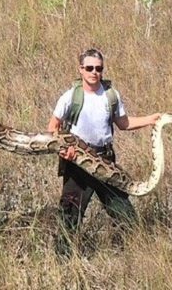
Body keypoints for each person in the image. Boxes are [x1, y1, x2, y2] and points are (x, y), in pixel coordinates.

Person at [47, 48, 160, 255]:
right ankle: (63, 260)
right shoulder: (70, 96)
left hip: (105, 160)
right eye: (89, 68)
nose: (94, 72)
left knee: (124, 211)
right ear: (80, 69)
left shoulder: (111, 95)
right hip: (78, 162)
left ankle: (134, 253)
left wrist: (151, 120)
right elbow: (52, 127)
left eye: (98, 68)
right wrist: (64, 151)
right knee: (70, 214)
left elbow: (123, 123)